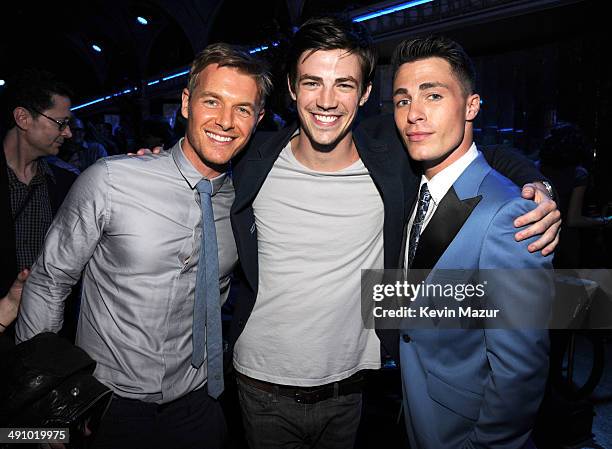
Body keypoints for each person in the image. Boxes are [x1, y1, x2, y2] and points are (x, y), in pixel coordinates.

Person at [228, 16, 559, 449]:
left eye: (344, 84)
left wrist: (540, 189)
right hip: (260, 388)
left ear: (365, 94)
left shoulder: (388, 156)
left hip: (355, 392)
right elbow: (203, 159)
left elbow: (482, 151)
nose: (326, 100)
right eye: (312, 82)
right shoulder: (253, 158)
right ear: (292, 89)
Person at [16, 43, 272, 449]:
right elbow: (50, 280)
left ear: (258, 119)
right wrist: (46, 399)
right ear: (186, 103)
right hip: (107, 407)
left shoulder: (246, 202)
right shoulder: (111, 181)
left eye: (243, 108)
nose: (226, 121)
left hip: (202, 403)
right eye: (212, 101)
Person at [392, 36, 552, 448]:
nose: (415, 114)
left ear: (472, 106)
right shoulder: (416, 186)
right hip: (418, 414)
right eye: (403, 100)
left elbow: (519, 370)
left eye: (433, 95)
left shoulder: (508, 214)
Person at [0, 69, 78, 339]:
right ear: (23, 118)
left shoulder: (66, 184)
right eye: (60, 123)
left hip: (48, 336)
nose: (67, 133)